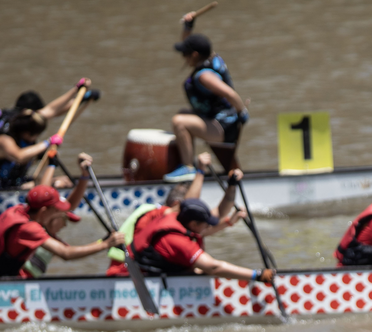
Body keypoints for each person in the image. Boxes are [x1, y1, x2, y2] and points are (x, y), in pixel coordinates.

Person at [0, 159, 125, 279]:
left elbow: (64, 204)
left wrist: (83, 176)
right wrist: (105, 244)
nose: (62, 218)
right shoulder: (29, 229)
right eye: (57, 213)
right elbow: (66, 254)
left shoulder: (19, 210)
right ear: (44, 211)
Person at [104, 152, 242, 274]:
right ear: (177, 204)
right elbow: (190, 202)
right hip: (125, 273)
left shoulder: (177, 222)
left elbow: (217, 214)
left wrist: (232, 185)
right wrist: (200, 171)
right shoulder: (155, 215)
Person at [109, 197, 271, 282]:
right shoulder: (176, 240)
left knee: (198, 269)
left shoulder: (174, 216)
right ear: (193, 223)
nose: (207, 227)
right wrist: (256, 275)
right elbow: (213, 267)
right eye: (204, 224)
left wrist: (228, 222)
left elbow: (200, 232)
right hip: (129, 281)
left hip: (139, 272)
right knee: (203, 269)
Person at [167, 16, 248, 182]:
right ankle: (185, 162)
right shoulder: (209, 57)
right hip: (216, 120)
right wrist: (188, 27)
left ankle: (188, 168)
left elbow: (231, 94)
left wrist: (242, 112)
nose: (183, 57)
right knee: (183, 113)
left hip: (223, 127)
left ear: (195, 55)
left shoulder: (205, 76)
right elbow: (191, 43)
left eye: (185, 54)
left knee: (179, 121)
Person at [0, 81, 101, 190]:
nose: (35, 139)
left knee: (64, 181)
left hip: (18, 183)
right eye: (35, 136)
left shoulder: (26, 119)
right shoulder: (3, 139)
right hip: (0, 188)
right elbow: (19, 156)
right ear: (27, 132)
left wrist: (78, 94)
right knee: (58, 184)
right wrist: (48, 142)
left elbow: (52, 110)